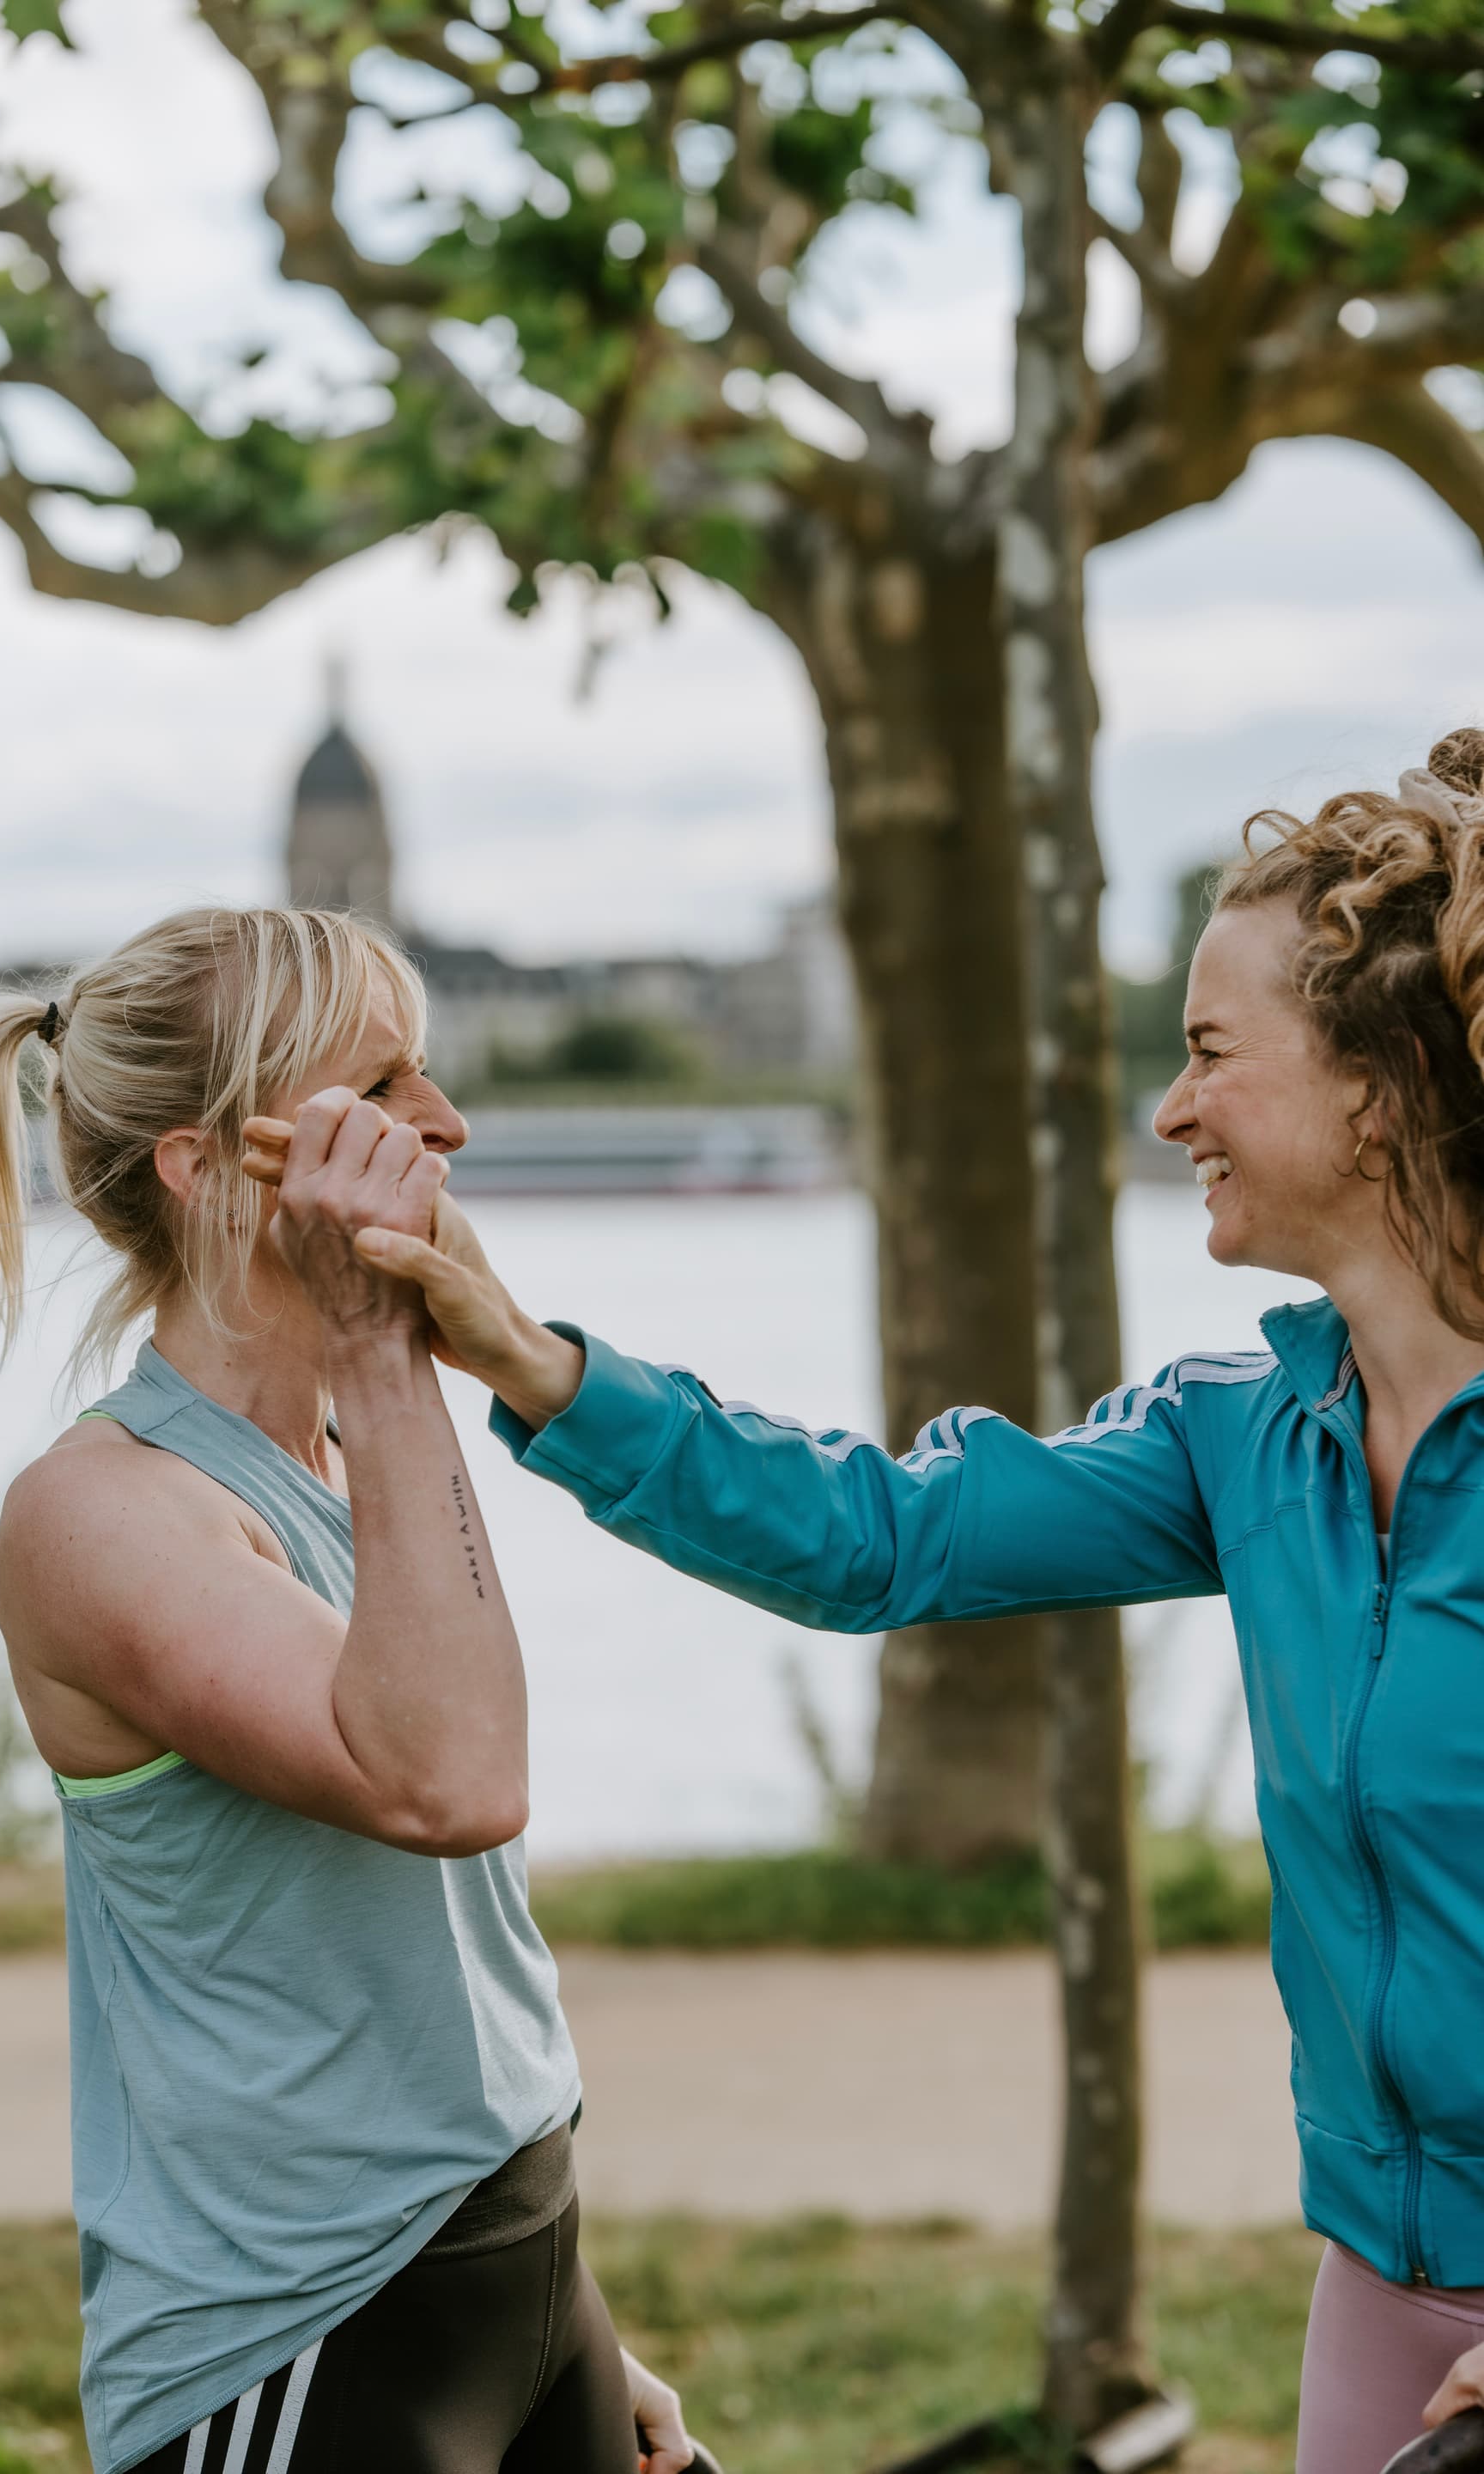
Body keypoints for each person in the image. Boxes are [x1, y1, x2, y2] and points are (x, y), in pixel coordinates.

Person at [311, 730, 1484, 2474]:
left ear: (1377, 1090)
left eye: (1210, 1055)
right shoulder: (1250, 1440)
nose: (1170, 1111)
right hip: (1379, 2296)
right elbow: (878, 1538)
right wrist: (530, 1357)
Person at [0, 906, 691, 2474]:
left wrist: (568, 2318)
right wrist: (384, 1340)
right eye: (384, 1087)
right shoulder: (105, 1517)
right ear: (213, 1168)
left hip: (513, 2262)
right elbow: (450, 1780)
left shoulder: (348, 1465)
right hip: (296, 2338)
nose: (447, 1127)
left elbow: (426, 1977)